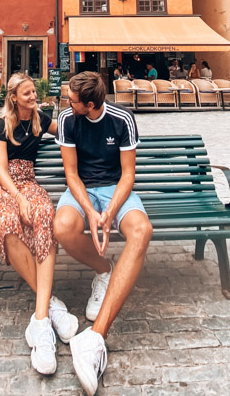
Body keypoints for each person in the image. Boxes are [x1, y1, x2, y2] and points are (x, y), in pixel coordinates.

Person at [54, 72, 152, 396]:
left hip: (115, 189)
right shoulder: (68, 119)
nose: (67, 103)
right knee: (63, 227)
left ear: (91, 105)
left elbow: (128, 174)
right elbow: (70, 173)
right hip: (82, 189)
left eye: (72, 99)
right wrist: (92, 212)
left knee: (142, 231)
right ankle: (104, 271)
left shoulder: (123, 120)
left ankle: (94, 338)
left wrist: (109, 212)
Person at [0, 73, 78, 376]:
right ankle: (51, 303)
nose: (33, 97)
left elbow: (64, 129)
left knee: (45, 216)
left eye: (34, 92)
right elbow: (0, 168)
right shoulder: (2, 125)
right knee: (7, 221)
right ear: (13, 97)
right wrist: (18, 197)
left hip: (29, 182)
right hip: (1, 184)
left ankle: (40, 318)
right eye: (27, 94)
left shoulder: (39, 119)